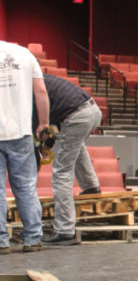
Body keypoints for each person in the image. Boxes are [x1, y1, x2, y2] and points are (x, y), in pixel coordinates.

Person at [33, 74, 102, 245]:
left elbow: (41, 130)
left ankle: (65, 230)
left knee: (61, 171)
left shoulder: (30, 91)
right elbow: (48, 129)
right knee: (76, 146)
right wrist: (45, 143)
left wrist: (34, 167)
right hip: (93, 110)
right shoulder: (41, 80)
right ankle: (91, 186)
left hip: (77, 116)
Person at [0, 41, 49, 254]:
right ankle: (32, 238)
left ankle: (2, 242)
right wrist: (44, 124)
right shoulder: (25, 54)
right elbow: (40, 91)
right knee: (27, 187)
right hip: (21, 131)